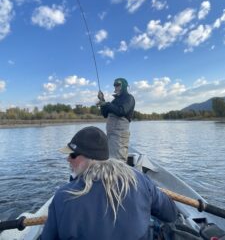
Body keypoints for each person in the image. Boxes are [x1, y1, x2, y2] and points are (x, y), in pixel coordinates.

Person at [41, 126, 178, 240]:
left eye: (73, 155)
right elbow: (171, 214)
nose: (68, 159)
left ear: (90, 158)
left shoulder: (62, 196)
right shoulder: (140, 179)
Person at [98, 77, 135, 162]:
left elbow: (121, 111)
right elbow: (104, 114)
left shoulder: (129, 98)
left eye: (118, 85)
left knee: (118, 161)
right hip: (110, 135)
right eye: (114, 85)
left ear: (124, 86)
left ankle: (120, 175)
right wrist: (102, 100)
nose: (115, 87)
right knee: (110, 159)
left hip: (120, 136)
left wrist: (106, 104)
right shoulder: (114, 101)